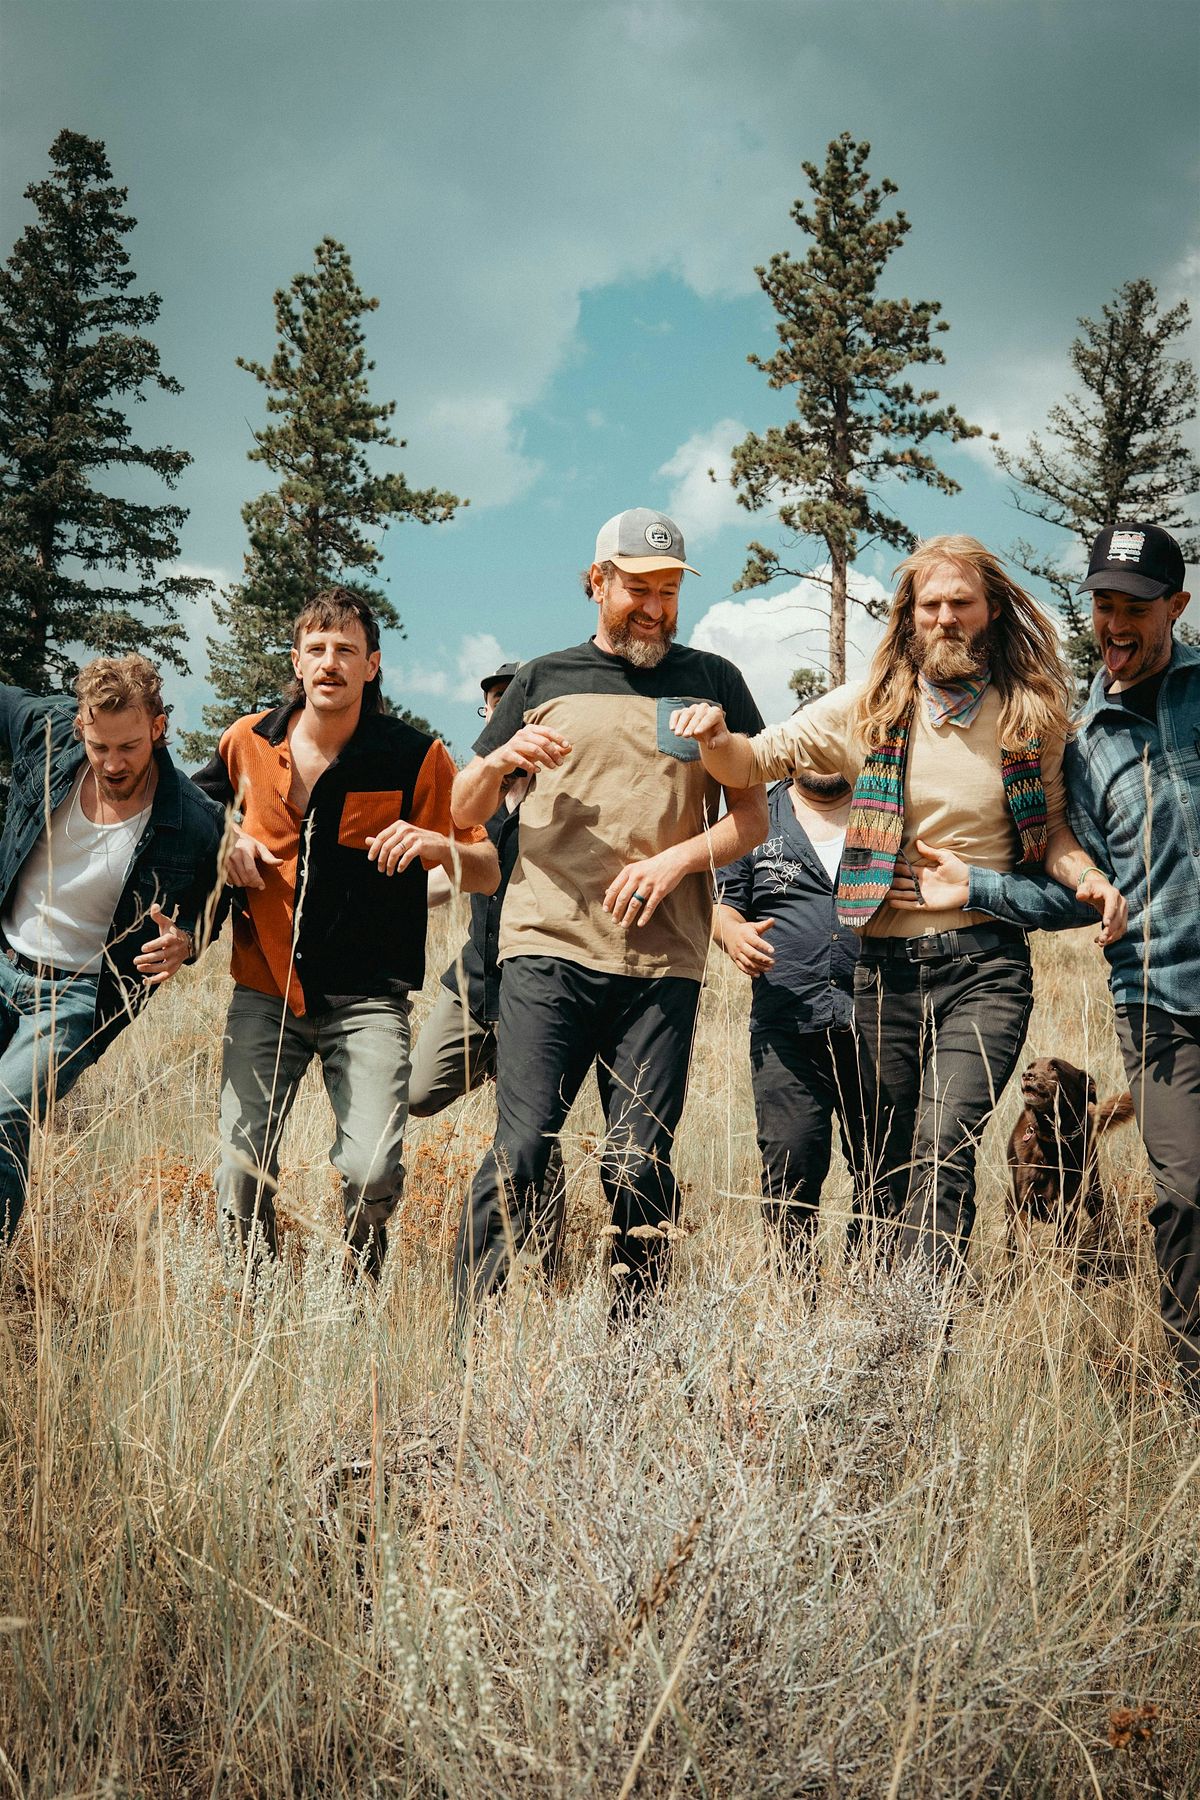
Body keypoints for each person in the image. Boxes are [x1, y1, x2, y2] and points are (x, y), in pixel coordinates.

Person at [671, 534, 1126, 1281]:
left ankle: (925, 1330)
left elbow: (1053, 835)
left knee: (945, 1146)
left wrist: (1090, 878)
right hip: (881, 973)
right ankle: (886, 1321)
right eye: (930, 604)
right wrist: (718, 739)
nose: (945, 617)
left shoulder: (1028, 713)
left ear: (991, 610)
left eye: (961, 603)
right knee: (889, 1166)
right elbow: (753, 761)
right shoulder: (868, 709)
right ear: (909, 616)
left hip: (984, 970)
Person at [896, 523, 1199, 1389]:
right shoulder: (1084, 739)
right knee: (1186, 1197)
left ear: (1176, 607)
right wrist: (979, 887)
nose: (1116, 624)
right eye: (1104, 604)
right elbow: (1075, 886)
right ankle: (1192, 1393)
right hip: (1161, 999)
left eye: (1135, 607)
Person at [451, 508, 767, 1319]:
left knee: (637, 1164)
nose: (655, 609)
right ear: (598, 583)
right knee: (522, 1151)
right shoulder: (541, 680)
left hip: (661, 964)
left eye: (669, 593)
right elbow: (462, 806)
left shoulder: (715, 682)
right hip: (546, 947)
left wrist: (676, 861)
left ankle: (636, 1354)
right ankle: (470, 1343)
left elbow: (751, 821)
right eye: (638, 590)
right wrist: (500, 758)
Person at [193, 587, 499, 1280]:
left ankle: (357, 1279)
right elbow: (187, 816)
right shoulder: (247, 742)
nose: (330, 663)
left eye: (346, 650)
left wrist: (436, 844)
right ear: (297, 661)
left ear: (372, 665)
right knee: (239, 1165)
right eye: (317, 649)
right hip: (265, 990)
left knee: (372, 1169)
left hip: (368, 1000)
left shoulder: (415, 756)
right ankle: (251, 1296)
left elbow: (487, 867)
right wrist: (225, 838)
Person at [0, 654, 223, 1246]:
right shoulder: (47, 734)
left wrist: (186, 942)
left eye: (129, 746)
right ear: (80, 725)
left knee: (3, 1114)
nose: (113, 763)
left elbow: (215, 902)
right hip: (3, 956)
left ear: (158, 726)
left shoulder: (193, 820)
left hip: (74, 996)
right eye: (99, 747)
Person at [409, 660, 567, 1265]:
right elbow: (454, 874)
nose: (501, 719)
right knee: (418, 1090)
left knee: (533, 1131)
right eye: (492, 709)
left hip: (543, 986)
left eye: (513, 706)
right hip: (475, 982)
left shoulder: (568, 792)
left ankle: (540, 1259)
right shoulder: (477, 797)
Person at [713, 763, 863, 1271]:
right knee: (791, 1168)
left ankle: (872, 1293)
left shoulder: (885, 806)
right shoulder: (755, 815)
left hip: (882, 1022)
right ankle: (795, 1301)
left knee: (886, 1170)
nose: (822, 755)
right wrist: (732, 935)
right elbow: (722, 904)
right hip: (786, 1025)